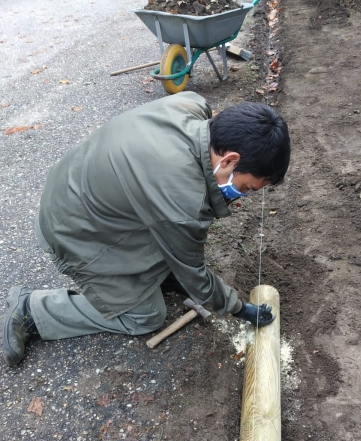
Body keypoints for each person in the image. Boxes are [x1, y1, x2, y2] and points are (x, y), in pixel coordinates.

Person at [2, 92, 290, 367]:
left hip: (75, 191)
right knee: (146, 316)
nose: (242, 196)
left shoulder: (190, 107)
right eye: (246, 188)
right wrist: (238, 308)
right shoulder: (182, 198)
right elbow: (193, 269)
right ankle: (33, 310)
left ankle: (157, 276)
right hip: (74, 232)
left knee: (171, 243)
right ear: (229, 161)